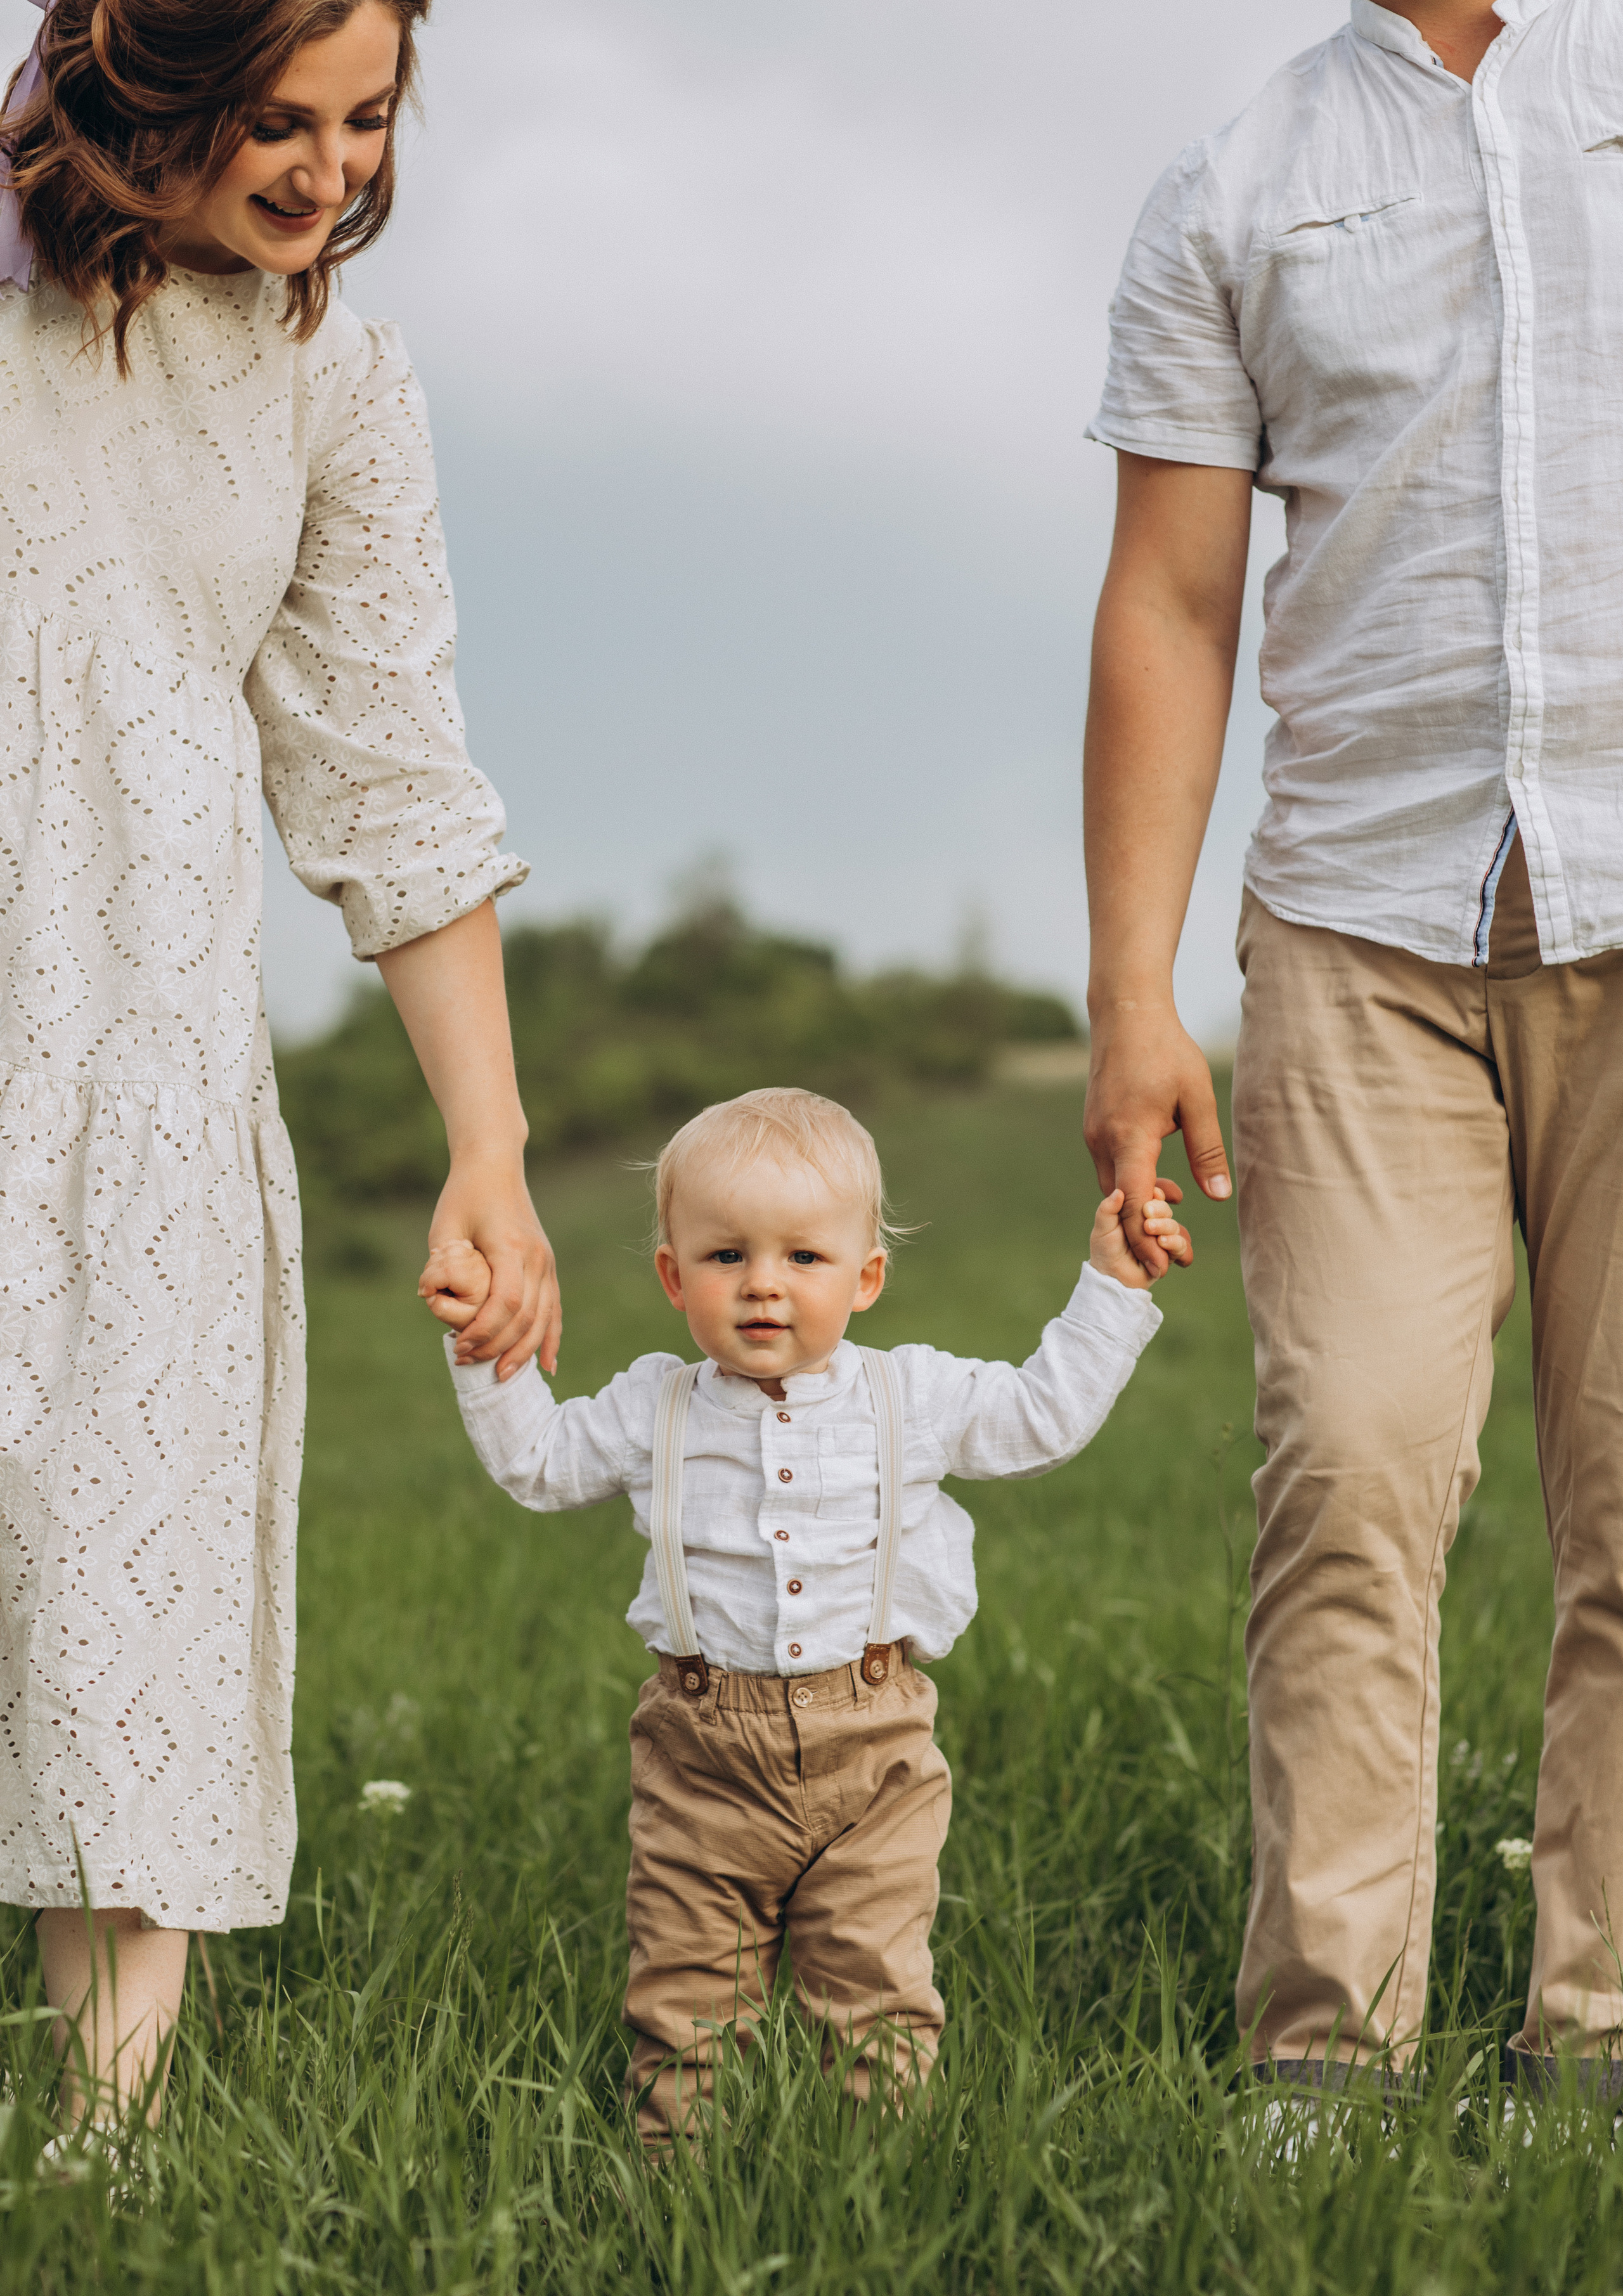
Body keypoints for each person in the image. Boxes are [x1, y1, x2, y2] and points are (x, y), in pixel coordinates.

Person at [0, 0, 559, 2133]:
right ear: (138, 82)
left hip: (143, 1058)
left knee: (121, 1591)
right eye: (276, 120)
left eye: (368, 120)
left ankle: (108, 2147)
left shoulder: (337, 379)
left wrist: (487, 1151)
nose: (332, 174)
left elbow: (391, 782)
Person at [1083, 0, 1623, 2089]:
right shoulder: (1235, 185)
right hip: (1360, 927)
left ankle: (1595, 2038)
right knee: (1352, 1474)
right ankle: (1327, 2062)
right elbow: (1172, 602)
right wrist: (1137, 999)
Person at [424, 1085, 1182, 2144]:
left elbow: (1038, 1416)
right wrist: (479, 1337)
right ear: (672, 1275)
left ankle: (879, 2184)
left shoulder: (907, 1397)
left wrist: (1111, 1287)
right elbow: (538, 1463)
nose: (763, 1285)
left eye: (804, 1259)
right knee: (686, 1996)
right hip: (701, 1756)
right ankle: (679, 2195)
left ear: (866, 1277)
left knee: (875, 1989)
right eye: (726, 1256)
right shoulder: (657, 1405)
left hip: (873, 1749)